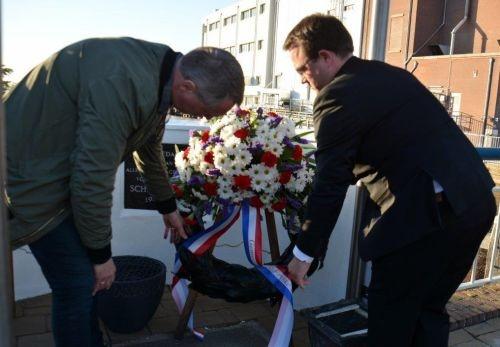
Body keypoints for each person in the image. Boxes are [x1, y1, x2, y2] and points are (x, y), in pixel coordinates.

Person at [4, 37, 244, 346]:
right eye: (209, 112)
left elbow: (148, 148)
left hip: (50, 177)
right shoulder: (123, 83)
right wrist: (101, 255)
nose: (207, 120)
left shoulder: (160, 73)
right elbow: (91, 178)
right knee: (78, 283)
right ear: (187, 87)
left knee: (85, 280)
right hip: (27, 181)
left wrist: (167, 207)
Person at [284, 14, 496, 346]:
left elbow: (330, 181)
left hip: (428, 217)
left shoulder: (335, 95)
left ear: (325, 57)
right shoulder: (391, 75)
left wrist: (304, 254)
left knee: (391, 315)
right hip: (475, 202)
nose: (302, 81)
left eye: (302, 70)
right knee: (429, 309)